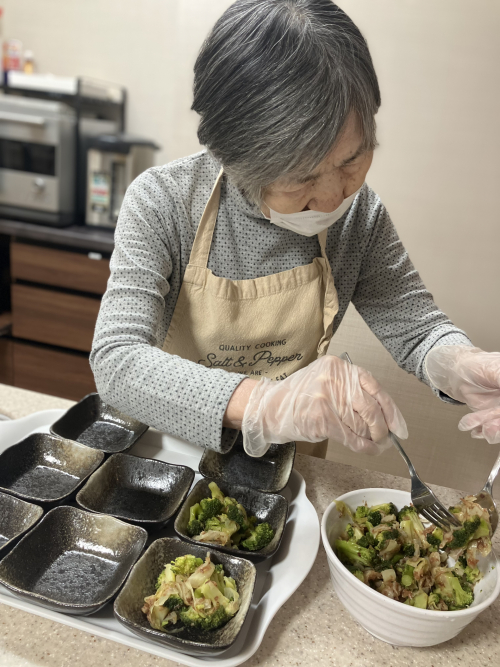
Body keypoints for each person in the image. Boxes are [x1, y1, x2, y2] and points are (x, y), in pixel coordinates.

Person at [90, 0, 500, 461]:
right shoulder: (165, 202)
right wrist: (266, 405)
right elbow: (117, 360)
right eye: (299, 178)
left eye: (351, 161)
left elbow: (416, 326)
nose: (331, 198)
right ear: (234, 158)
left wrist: (459, 364)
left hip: (287, 467)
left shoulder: (359, 216)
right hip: (165, 459)